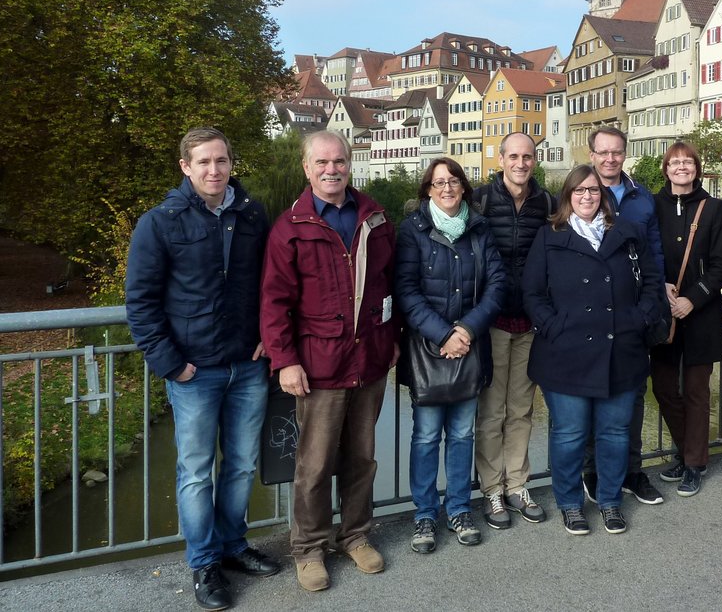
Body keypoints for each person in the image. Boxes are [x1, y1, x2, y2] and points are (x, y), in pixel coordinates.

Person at [125, 128, 278, 611]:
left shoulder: (252, 215)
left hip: (246, 366)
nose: (215, 170)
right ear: (186, 167)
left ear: (232, 164)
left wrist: (264, 337)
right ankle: (205, 562)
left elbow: (268, 285)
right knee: (195, 473)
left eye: (222, 161)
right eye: (204, 162)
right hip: (194, 372)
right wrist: (171, 363)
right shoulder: (160, 222)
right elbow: (141, 302)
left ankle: (233, 546)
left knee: (241, 466)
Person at [260, 130, 399, 592]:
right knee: (315, 464)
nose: (331, 169)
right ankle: (309, 549)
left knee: (362, 458)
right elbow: (275, 302)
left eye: (339, 161)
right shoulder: (291, 227)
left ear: (349, 163)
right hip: (318, 364)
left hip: (369, 359)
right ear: (307, 168)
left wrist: (392, 337)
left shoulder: (374, 218)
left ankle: (355, 536)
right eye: (321, 163)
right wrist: (285, 361)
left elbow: (390, 285)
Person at [523, 165, 668, 535]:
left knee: (615, 432)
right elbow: (533, 293)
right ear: (567, 196)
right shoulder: (548, 236)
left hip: (621, 349)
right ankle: (570, 503)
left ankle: (609, 501)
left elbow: (651, 282)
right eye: (579, 191)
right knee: (569, 434)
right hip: (565, 353)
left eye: (593, 191)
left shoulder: (628, 233)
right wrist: (553, 326)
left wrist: (640, 319)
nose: (587, 197)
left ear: (602, 196)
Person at [395, 158, 505, 553]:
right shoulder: (413, 230)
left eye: (453, 181)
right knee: (425, 436)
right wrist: (444, 334)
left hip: (469, 345)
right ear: (427, 189)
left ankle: (458, 509)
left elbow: (497, 285)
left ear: (463, 187)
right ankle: (425, 515)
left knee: (462, 434)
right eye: (439, 182)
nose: (446, 188)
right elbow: (406, 291)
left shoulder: (479, 227)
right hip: (428, 348)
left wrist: (467, 330)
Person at [472, 133, 554, 529]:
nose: (521, 163)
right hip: (492, 321)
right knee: (491, 411)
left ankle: (518, 484)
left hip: (530, 322)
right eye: (514, 156)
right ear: (501, 159)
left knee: (521, 409)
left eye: (528, 157)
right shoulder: (481, 200)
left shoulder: (547, 202)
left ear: (534, 161)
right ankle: (491, 490)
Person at [584, 125, 666, 506]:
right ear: (592, 155)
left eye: (616, 152)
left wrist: (651, 307)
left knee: (632, 396)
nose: (610, 159)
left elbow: (655, 257)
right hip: (590, 315)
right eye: (603, 152)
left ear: (624, 154)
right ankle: (592, 472)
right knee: (589, 393)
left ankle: (633, 471)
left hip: (632, 316)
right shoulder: (578, 194)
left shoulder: (641, 198)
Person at [650, 143, 722, 497]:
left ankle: (695, 463)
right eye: (674, 162)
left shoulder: (714, 208)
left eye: (688, 162)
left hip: (700, 314)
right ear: (665, 169)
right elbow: (642, 254)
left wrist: (692, 299)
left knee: (697, 391)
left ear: (697, 169)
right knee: (664, 389)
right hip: (661, 311)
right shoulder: (651, 206)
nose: (681, 167)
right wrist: (660, 289)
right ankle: (685, 453)